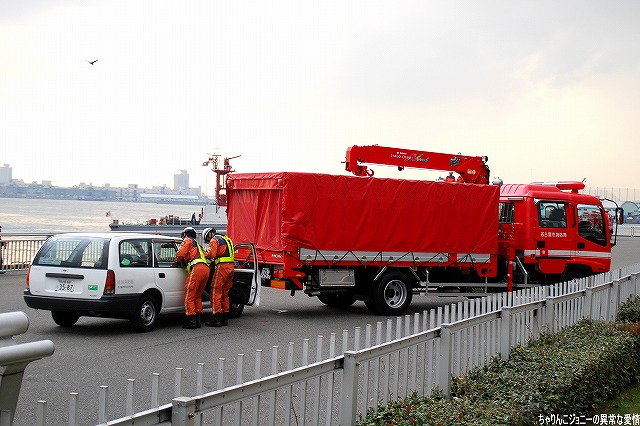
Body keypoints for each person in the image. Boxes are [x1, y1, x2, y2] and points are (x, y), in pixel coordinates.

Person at [176, 226, 209, 329]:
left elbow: (180, 255)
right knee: (197, 296)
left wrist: (177, 259)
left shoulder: (187, 241)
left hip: (197, 269)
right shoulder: (197, 244)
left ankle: (191, 321)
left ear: (185, 234)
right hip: (205, 269)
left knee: (189, 295)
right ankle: (198, 320)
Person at [202, 227, 234, 327]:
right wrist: (213, 262)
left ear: (209, 234)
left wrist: (204, 253)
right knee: (225, 293)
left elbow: (211, 254)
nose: (208, 241)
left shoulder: (215, 239)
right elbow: (224, 254)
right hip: (231, 267)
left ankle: (216, 319)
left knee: (215, 292)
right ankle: (225, 318)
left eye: (207, 239)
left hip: (222, 268)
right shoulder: (227, 239)